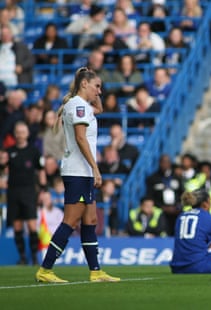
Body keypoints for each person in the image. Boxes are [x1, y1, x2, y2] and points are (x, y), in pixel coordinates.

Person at [36, 67, 120, 283]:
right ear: (84, 84)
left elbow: (98, 110)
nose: (100, 91)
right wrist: (95, 167)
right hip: (78, 171)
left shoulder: (82, 106)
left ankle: (95, 271)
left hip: (83, 172)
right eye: (97, 86)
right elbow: (81, 138)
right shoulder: (79, 106)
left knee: (90, 220)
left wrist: (95, 92)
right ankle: (45, 269)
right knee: (71, 221)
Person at [1, 121, 47, 265]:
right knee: (17, 226)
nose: (20, 135)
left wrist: (43, 190)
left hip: (29, 191)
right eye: (18, 132)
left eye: (23, 132)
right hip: (13, 191)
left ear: (27, 133)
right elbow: (4, 169)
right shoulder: (9, 152)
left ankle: (34, 257)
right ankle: (22, 257)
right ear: (15, 134)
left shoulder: (34, 151)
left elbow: (41, 171)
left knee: (32, 225)